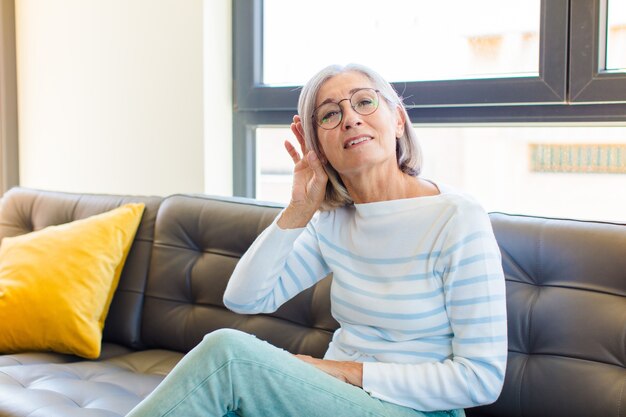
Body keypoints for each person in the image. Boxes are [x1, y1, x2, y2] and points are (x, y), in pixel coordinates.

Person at [127, 64, 507, 417]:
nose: (351, 118)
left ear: (398, 121)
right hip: (332, 396)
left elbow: (481, 379)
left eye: (364, 101)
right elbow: (244, 298)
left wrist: (342, 371)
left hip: (416, 408)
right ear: (318, 147)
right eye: (330, 114)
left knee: (228, 357)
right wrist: (298, 209)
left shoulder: (456, 217)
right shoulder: (333, 221)